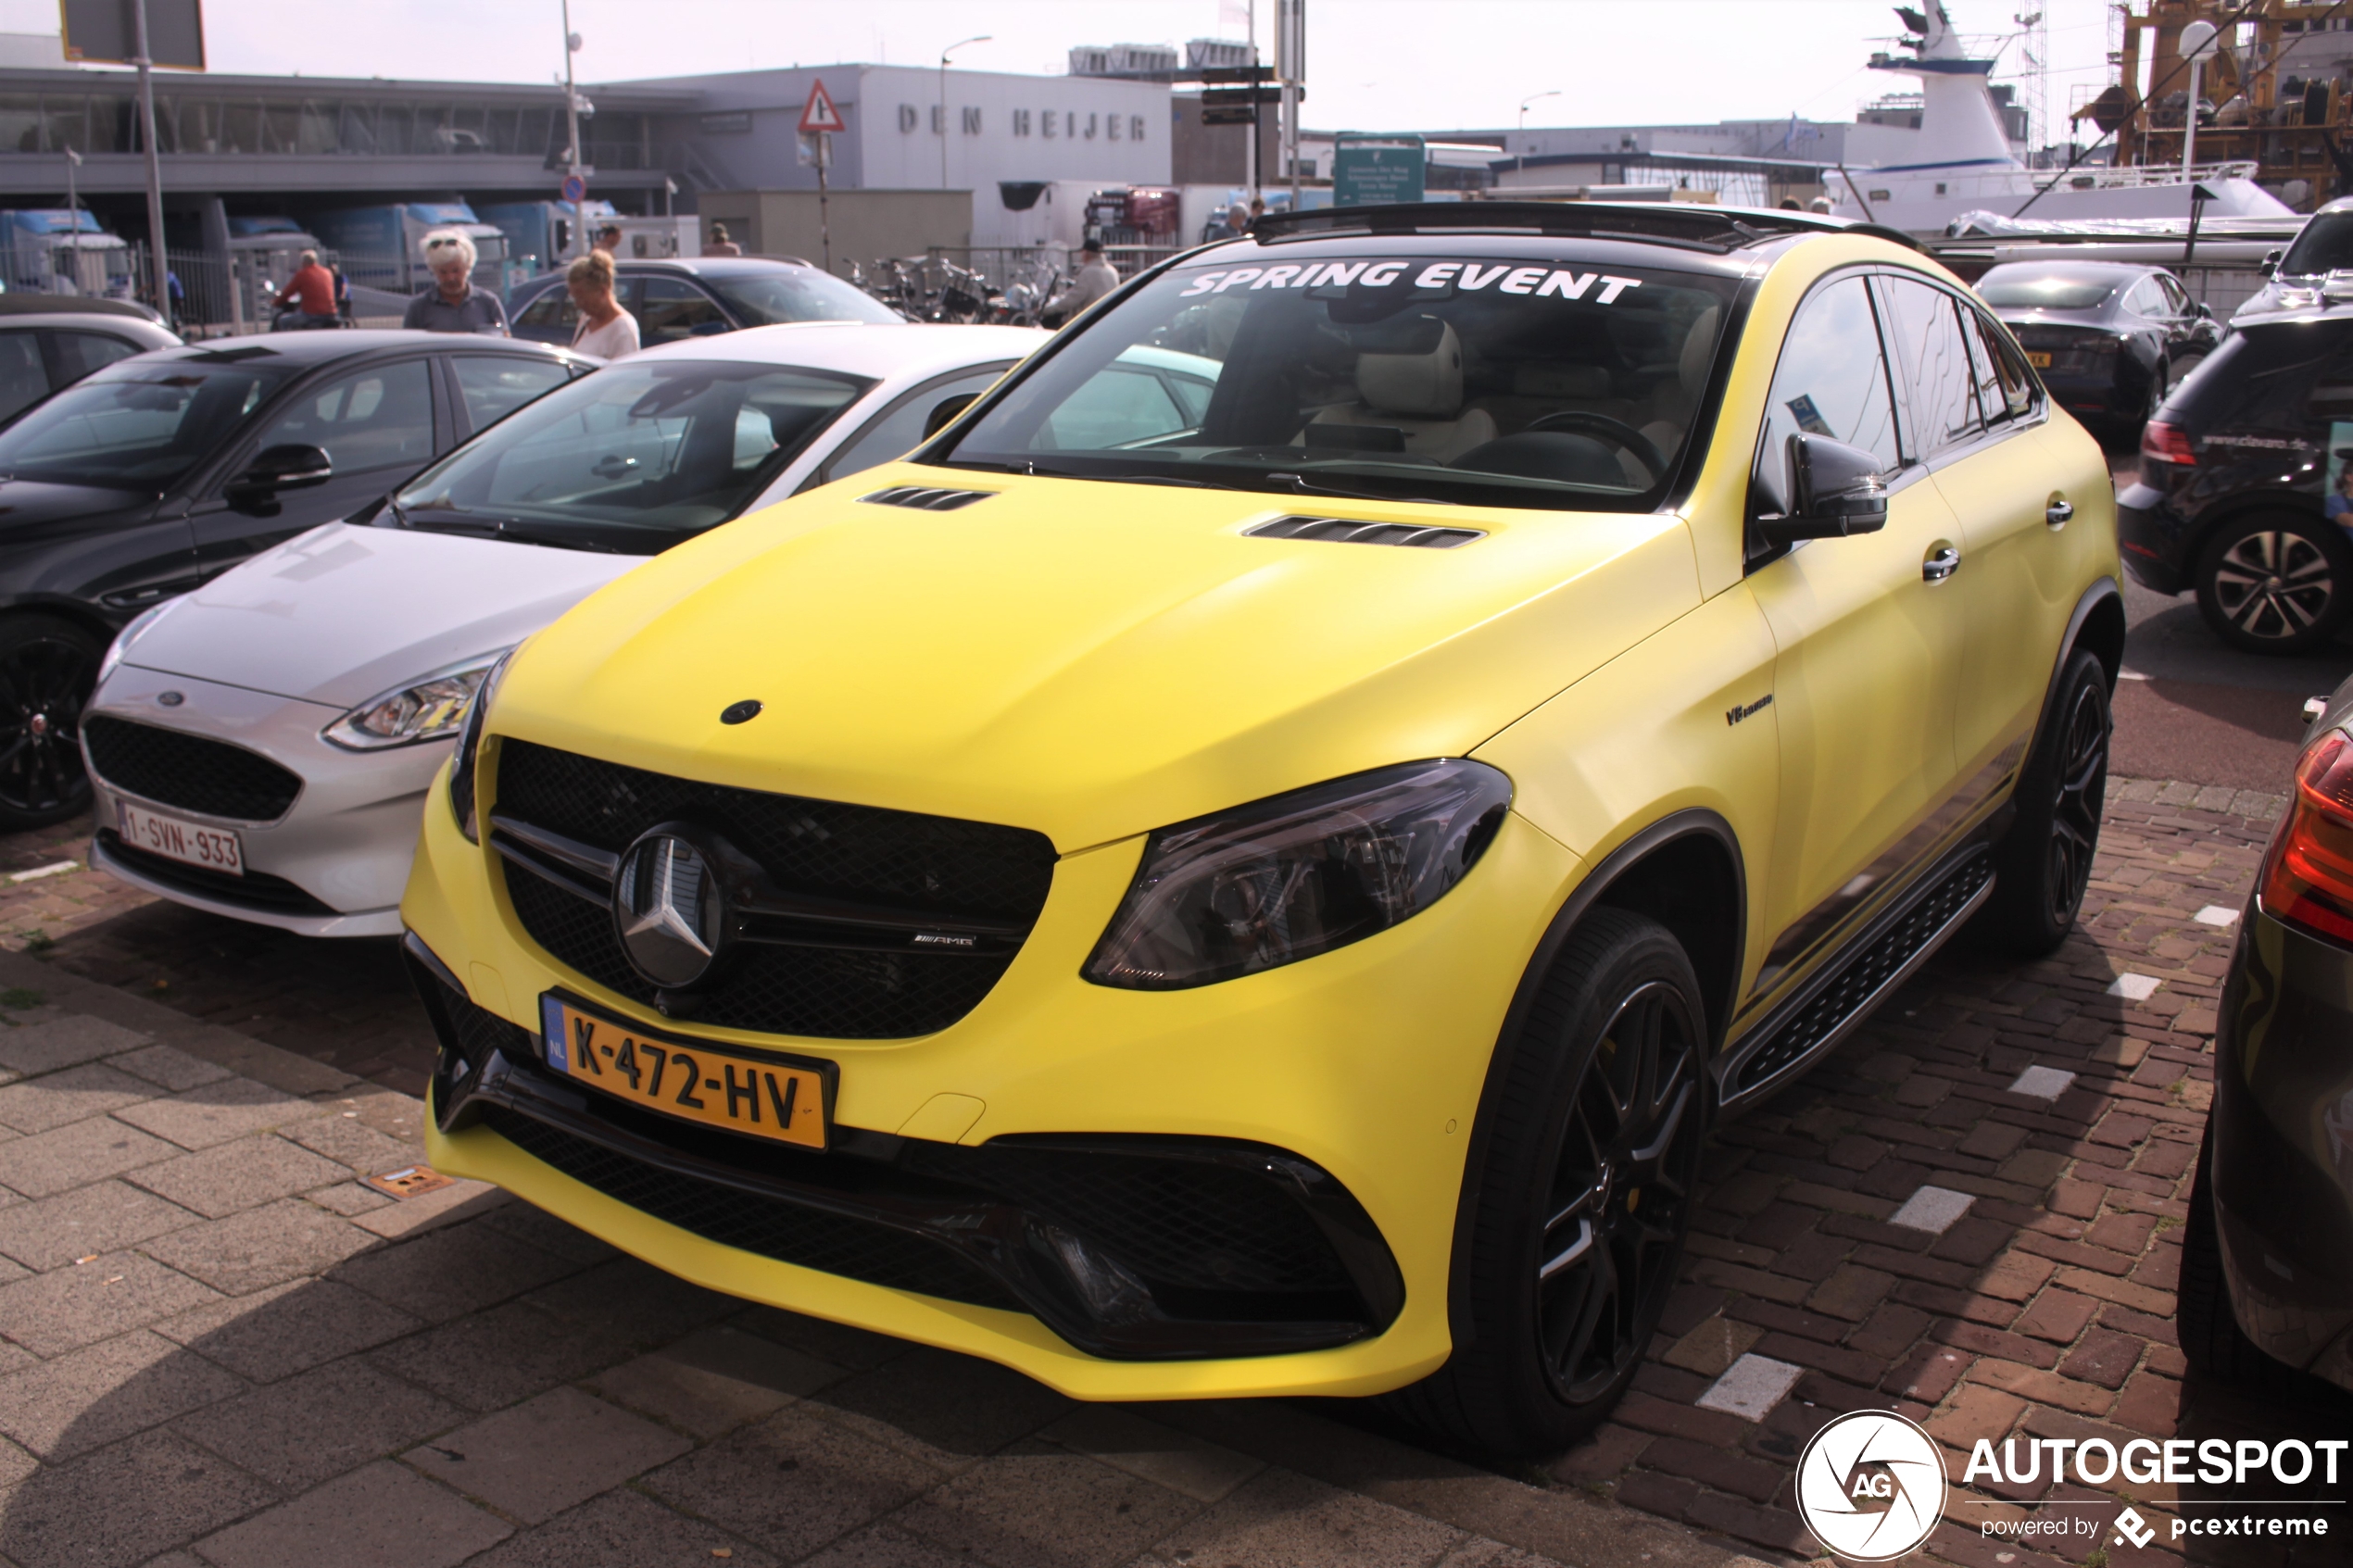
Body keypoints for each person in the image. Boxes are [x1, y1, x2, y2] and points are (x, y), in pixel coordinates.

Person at [401, 230, 508, 334]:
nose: (450, 278)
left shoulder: (488, 303)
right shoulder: (419, 307)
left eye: (456, 271)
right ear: (434, 271)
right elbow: (409, 344)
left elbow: (504, 338)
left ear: (468, 267)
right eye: (443, 272)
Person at [566, 249, 638, 359]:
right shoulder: (586, 319)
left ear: (602, 292)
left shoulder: (623, 329)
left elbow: (625, 374)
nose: (578, 304)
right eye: (574, 298)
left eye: (582, 298)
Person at [1045, 238, 1119, 328]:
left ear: (1085, 253)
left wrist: (1047, 310)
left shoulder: (1088, 273)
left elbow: (1072, 300)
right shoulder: (1112, 271)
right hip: (1109, 319)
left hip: (1089, 322)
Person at [274, 248, 338, 329]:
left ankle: (286, 341)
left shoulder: (302, 274)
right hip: (330, 314)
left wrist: (276, 302)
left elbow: (288, 292)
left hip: (311, 315)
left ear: (303, 262)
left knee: (283, 320)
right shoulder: (327, 273)